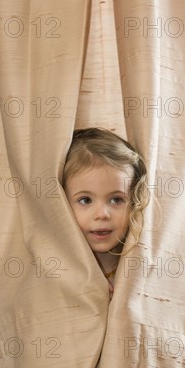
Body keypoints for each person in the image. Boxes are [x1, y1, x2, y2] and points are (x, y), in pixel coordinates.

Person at [62, 127, 150, 300]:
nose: (102, 214)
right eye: (85, 200)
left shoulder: (139, 266)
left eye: (116, 200)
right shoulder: (55, 268)